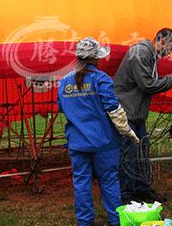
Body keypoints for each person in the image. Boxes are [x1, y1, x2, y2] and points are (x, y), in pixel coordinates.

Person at [57, 37, 139, 226]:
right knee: (109, 181)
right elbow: (113, 109)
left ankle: (84, 222)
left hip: (77, 142)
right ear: (96, 59)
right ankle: (115, 220)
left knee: (81, 183)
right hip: (104, 142)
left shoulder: (64, 83)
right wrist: (128, 132)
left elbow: (62, 108)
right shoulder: (101, 79)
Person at [113, 28, 172, 203]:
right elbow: (147, 84)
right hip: (127, 114)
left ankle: (142, 190)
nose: (170, 52)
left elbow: (149, 80)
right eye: (171, 47)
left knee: (142, 152)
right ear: (161, 41)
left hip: (137, 114)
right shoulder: (141, 52)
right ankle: (127, 196)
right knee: (128, 155)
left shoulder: (150, 55)